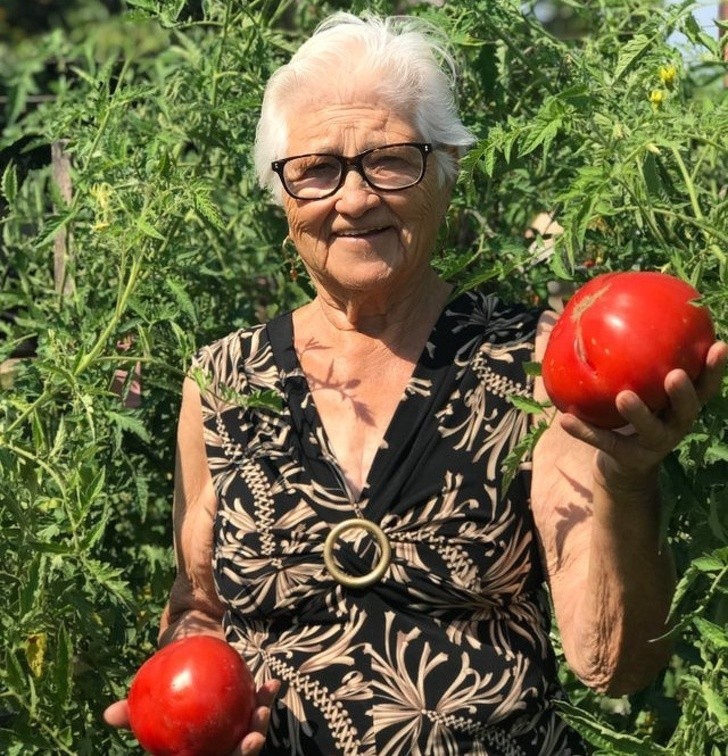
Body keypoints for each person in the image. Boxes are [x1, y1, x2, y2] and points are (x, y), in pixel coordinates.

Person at [104, 12, 727, 755]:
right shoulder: (223, 382)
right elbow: (198, 603)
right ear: (284, 196)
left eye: (392, 160)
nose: (356, 198)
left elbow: (614, 665)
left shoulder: (530, 365)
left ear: (445, 170)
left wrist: (627, 483)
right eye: (317, 170)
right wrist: (178, 701)